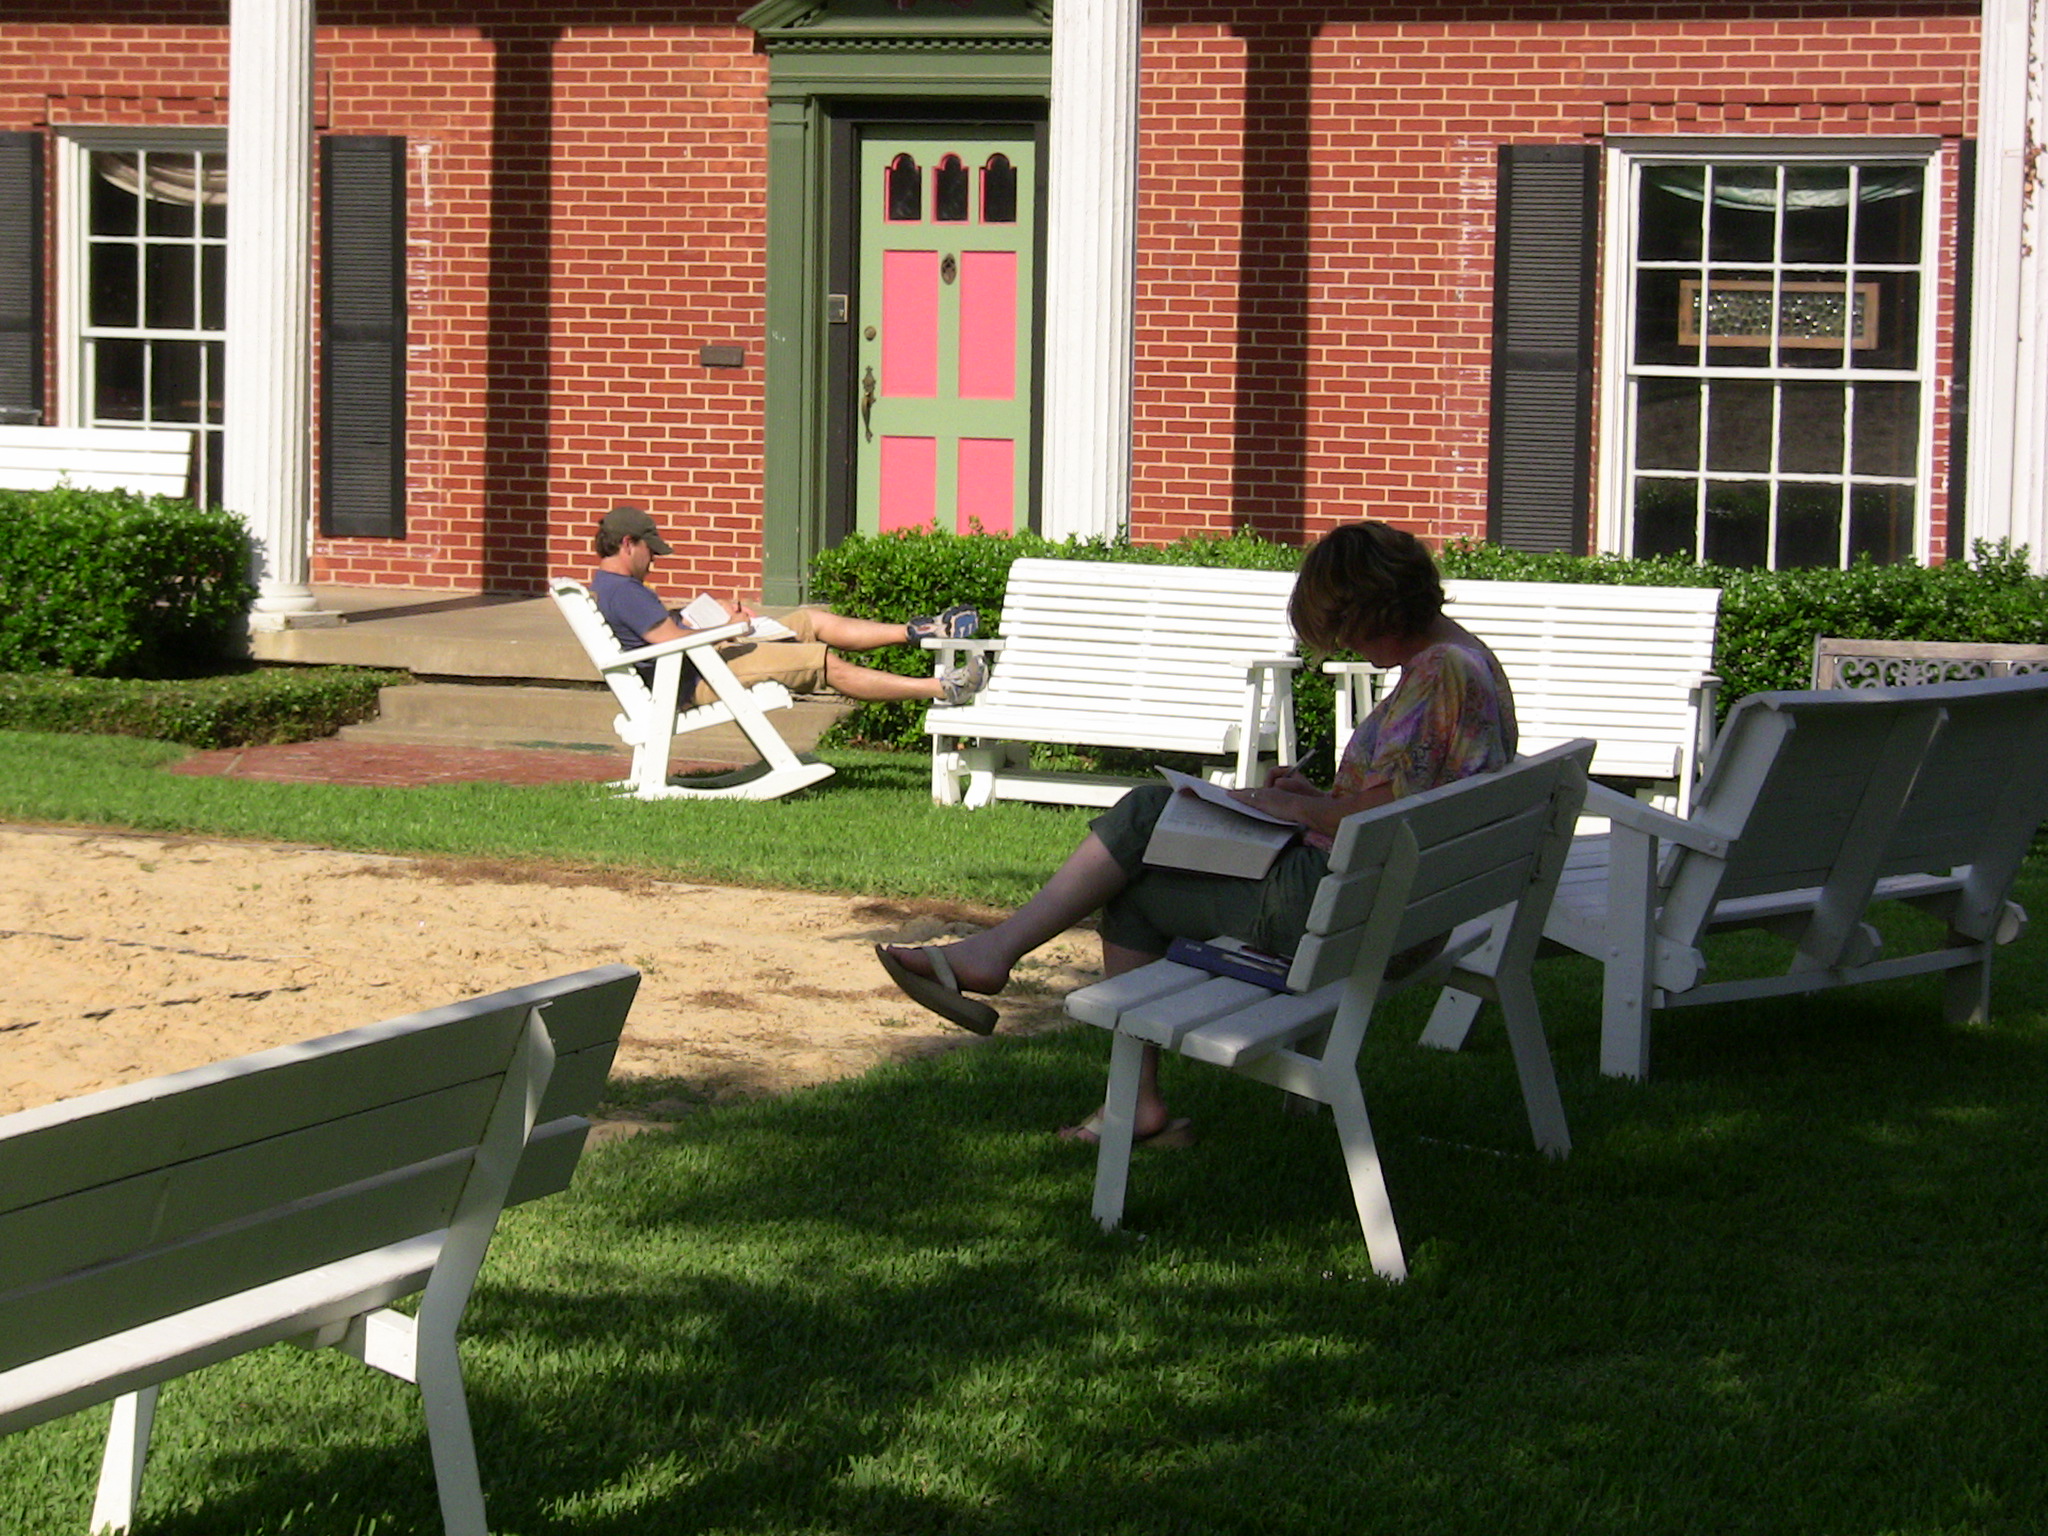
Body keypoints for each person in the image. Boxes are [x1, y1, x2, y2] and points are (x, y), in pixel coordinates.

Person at [875, 520, 1517, 1146]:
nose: (1347, 647)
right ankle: (1026, 988)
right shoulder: (1468, 660)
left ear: (1375, 611)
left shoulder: (1438, 673)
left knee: (1145, 832)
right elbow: (1404, 804)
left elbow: (1378, 818)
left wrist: (1286, 806)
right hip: (1394, 908)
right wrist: (1316, 800)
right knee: (1147, 835)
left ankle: (1019, 980)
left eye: (1344, 631)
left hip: (1347, 916)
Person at [589, 504, 987, 708]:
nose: (653, 559)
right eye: (650, 550)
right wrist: (732, 627)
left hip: (703, 664)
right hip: (702, 679)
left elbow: (664, 632)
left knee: (811, 620)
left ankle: (917, 630)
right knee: (823, 661)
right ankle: (943, 688)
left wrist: (711, 615)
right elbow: (671, 641)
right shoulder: (625, 591)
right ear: (627, 544)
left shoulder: (611, 587)